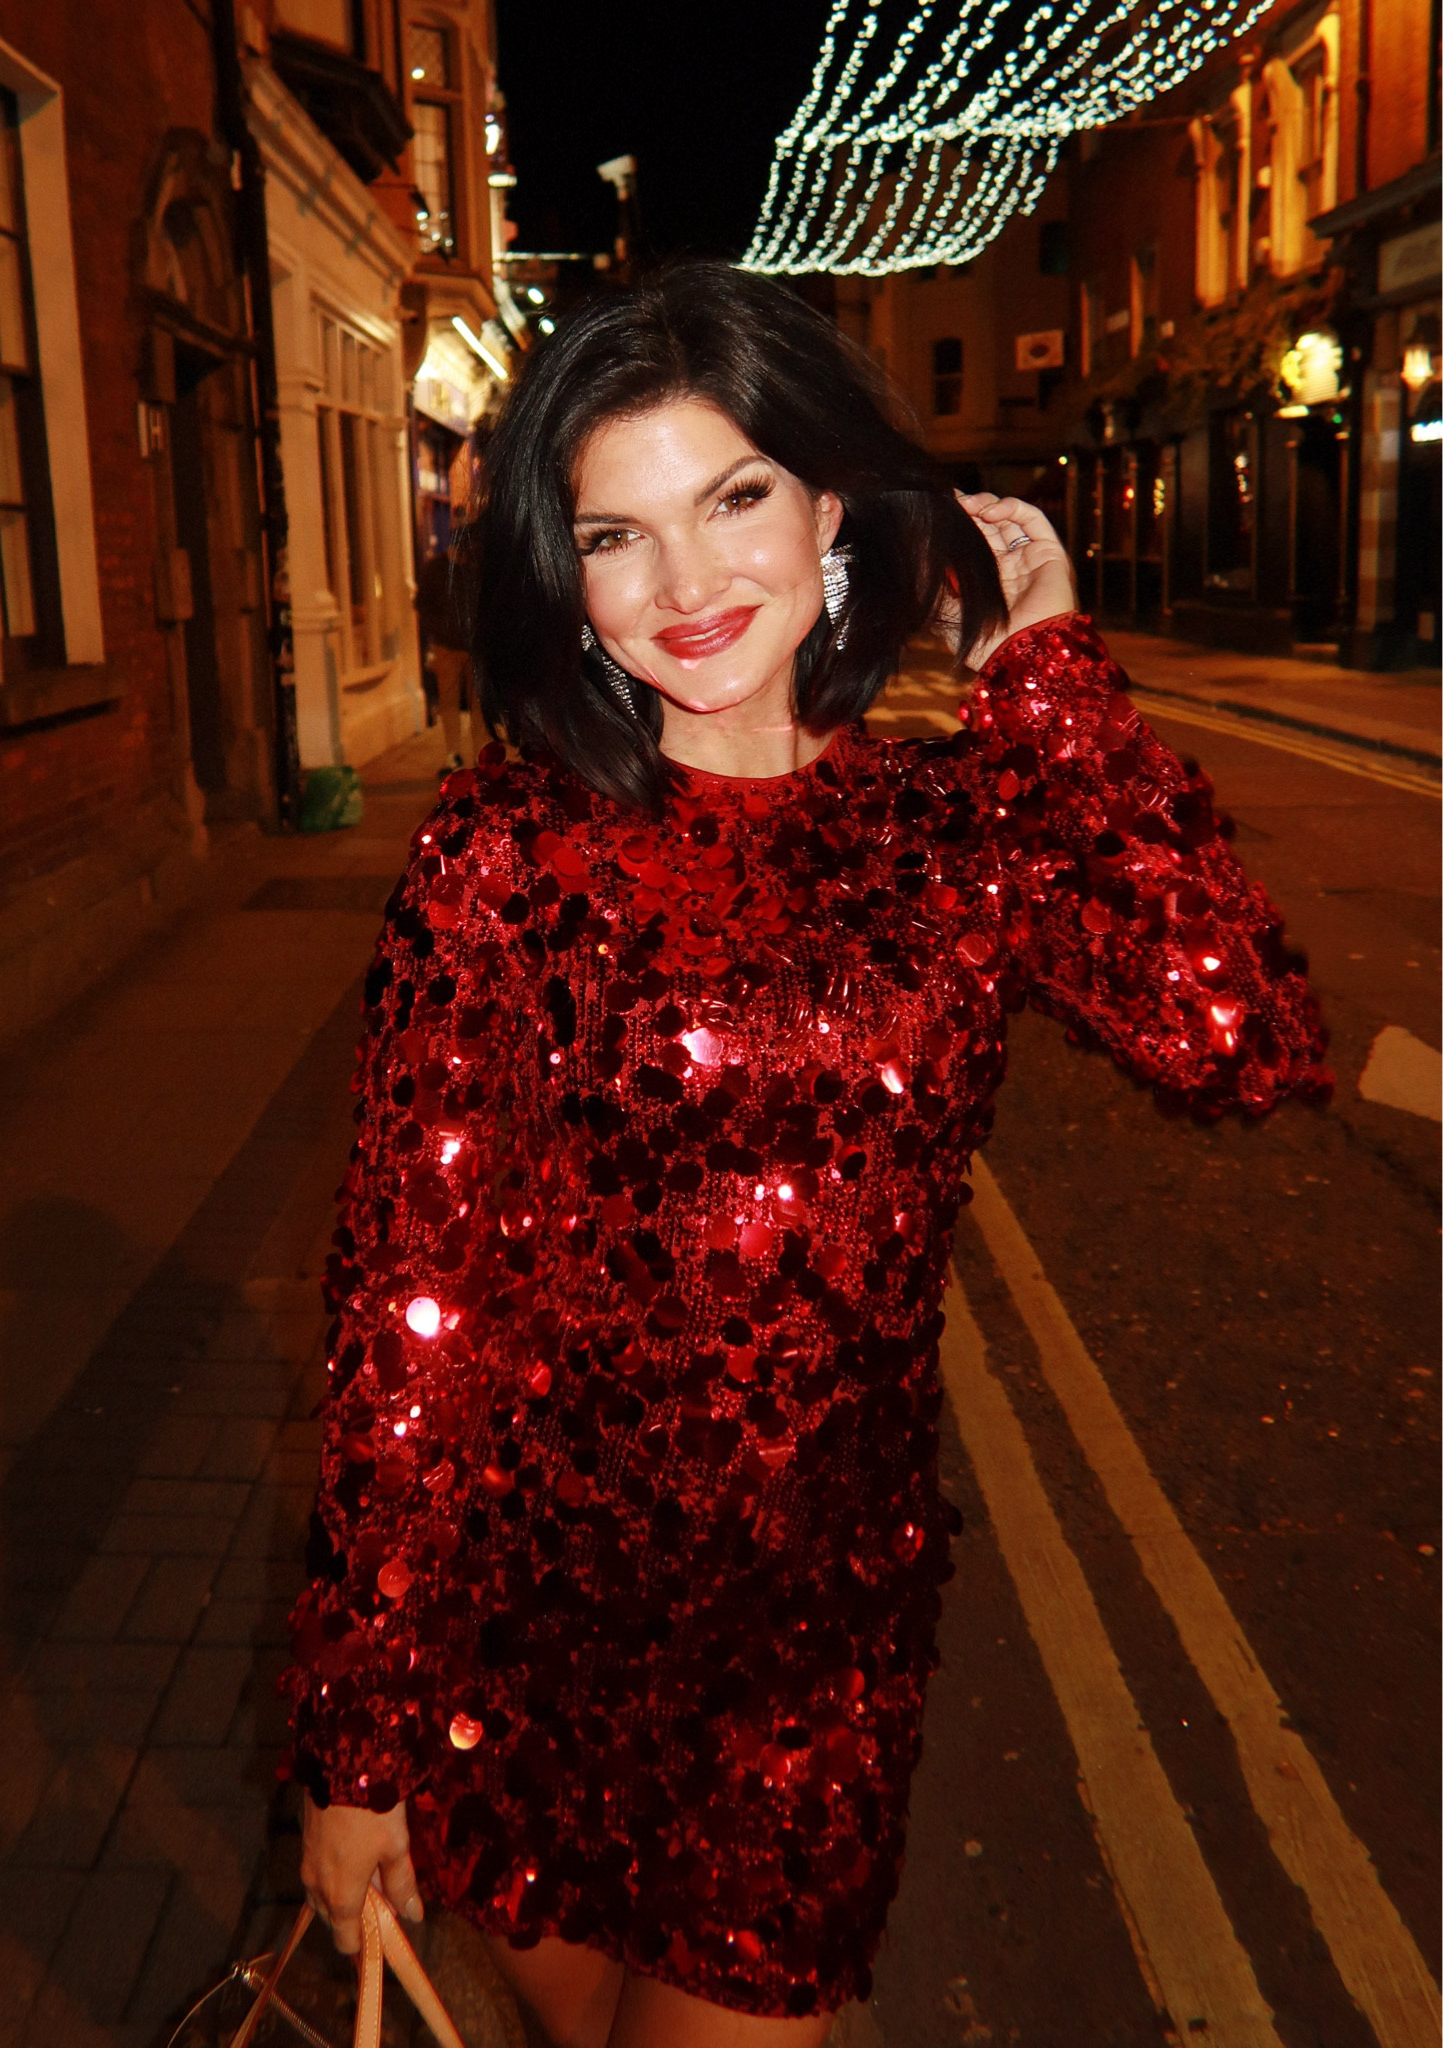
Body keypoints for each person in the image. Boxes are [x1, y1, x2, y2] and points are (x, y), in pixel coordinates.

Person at [285, 261, 1327, 2047]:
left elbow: (1236, 1030)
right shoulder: (500, 855)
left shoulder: (944, 833)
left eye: (733, 498)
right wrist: (355, 1738)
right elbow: (411, 1306)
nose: (684, 588)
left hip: (802, 1669)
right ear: (562, 568)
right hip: (518, 1649)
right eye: (614, 536)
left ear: (829, 500)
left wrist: (1049, 682)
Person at [415, 529, 475, 775]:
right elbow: (422, 604)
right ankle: (453, 755)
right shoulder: (436, 569)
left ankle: (481, 754)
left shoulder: (476, 568)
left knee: (478, 704)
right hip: (446, 647)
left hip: (474, 648)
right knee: (448, 702)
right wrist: (438, 630)